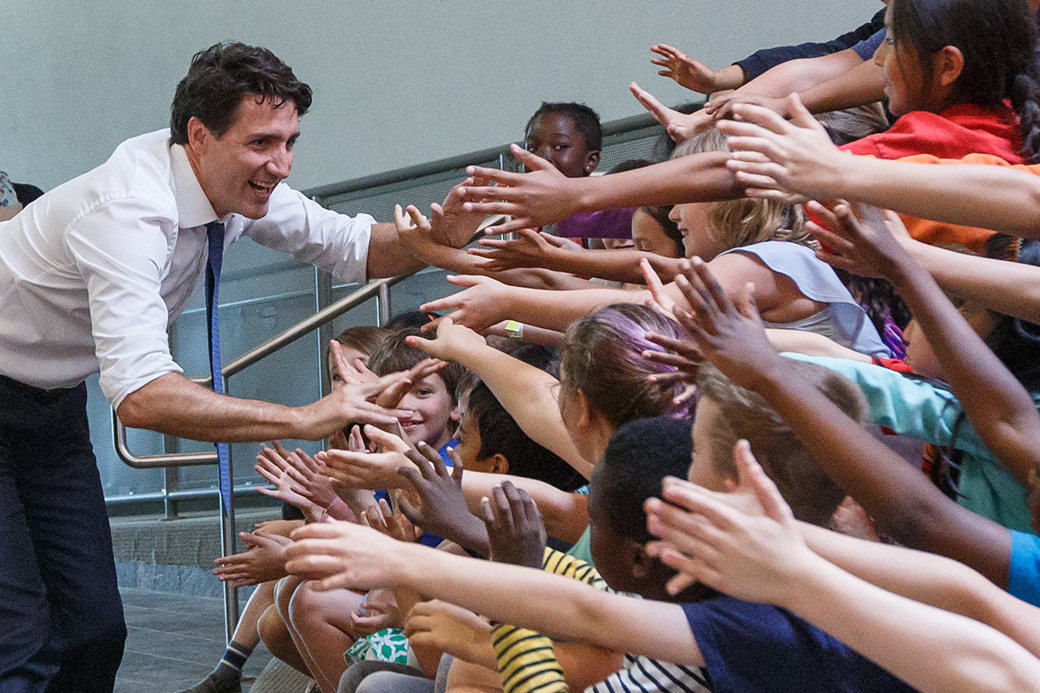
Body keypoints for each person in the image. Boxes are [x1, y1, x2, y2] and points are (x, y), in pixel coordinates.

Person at [0, 42, 477, 693]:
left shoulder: (230, 188)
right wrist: (305, 416)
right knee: (20, 641)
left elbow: (356, 245)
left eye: (289, 142)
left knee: (93, 629)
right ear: (200, 135)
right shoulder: (129, 212)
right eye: (262, 143)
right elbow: (140, 396)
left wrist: (432, 242)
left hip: (47, 401)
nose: (280, 165)